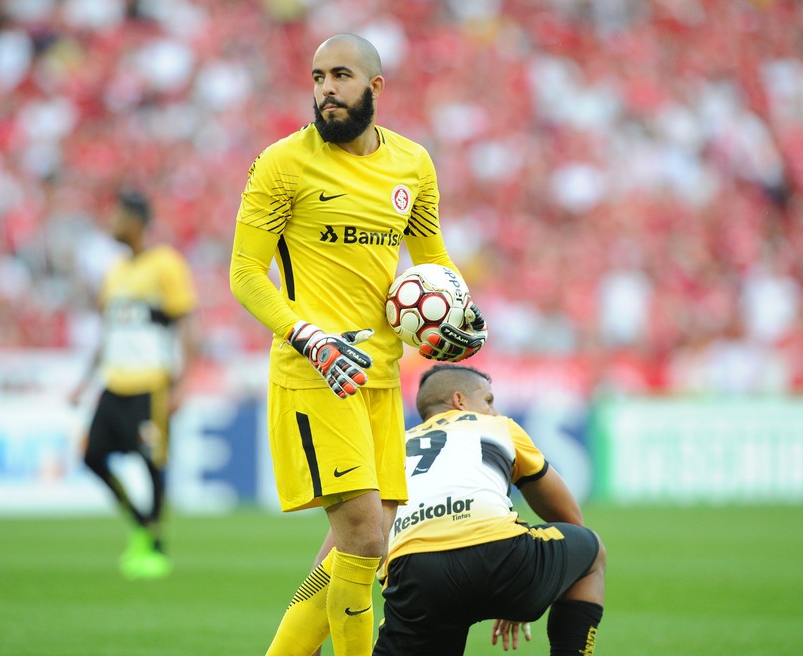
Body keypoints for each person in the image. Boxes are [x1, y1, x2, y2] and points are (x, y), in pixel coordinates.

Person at [228, 33, 487, 656]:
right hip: (314, 370)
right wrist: (308, 334)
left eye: (339, 76)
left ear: (375, 87)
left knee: (365, 540)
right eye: (317, 78)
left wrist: (456, 314)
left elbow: (433, 265)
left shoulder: (413, 166)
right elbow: (243, 274)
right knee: (366, 538)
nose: (324, 90)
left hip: (378, 375)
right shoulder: (281, 164)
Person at [372, 364, 606, 655]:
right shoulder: (498, 426)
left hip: (414, 574)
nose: (494, 411)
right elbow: (570, 518)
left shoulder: (391, 448)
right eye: (488, 401)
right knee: (592, 552)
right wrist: (523, 589)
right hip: (500, 556)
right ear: (460, 401)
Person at [69, 189, 198, 580]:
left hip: (150, 382)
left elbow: (187, 323)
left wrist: (183, 382)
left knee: (151, 461)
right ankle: (142, 523)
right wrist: (84, 381)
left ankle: (155, 547)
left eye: (117, 215)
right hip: (115, 381)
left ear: (137, 221)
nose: (111, 223)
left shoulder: (165, 265)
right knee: (92, 457)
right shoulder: (114, 273)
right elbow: (107, 333)